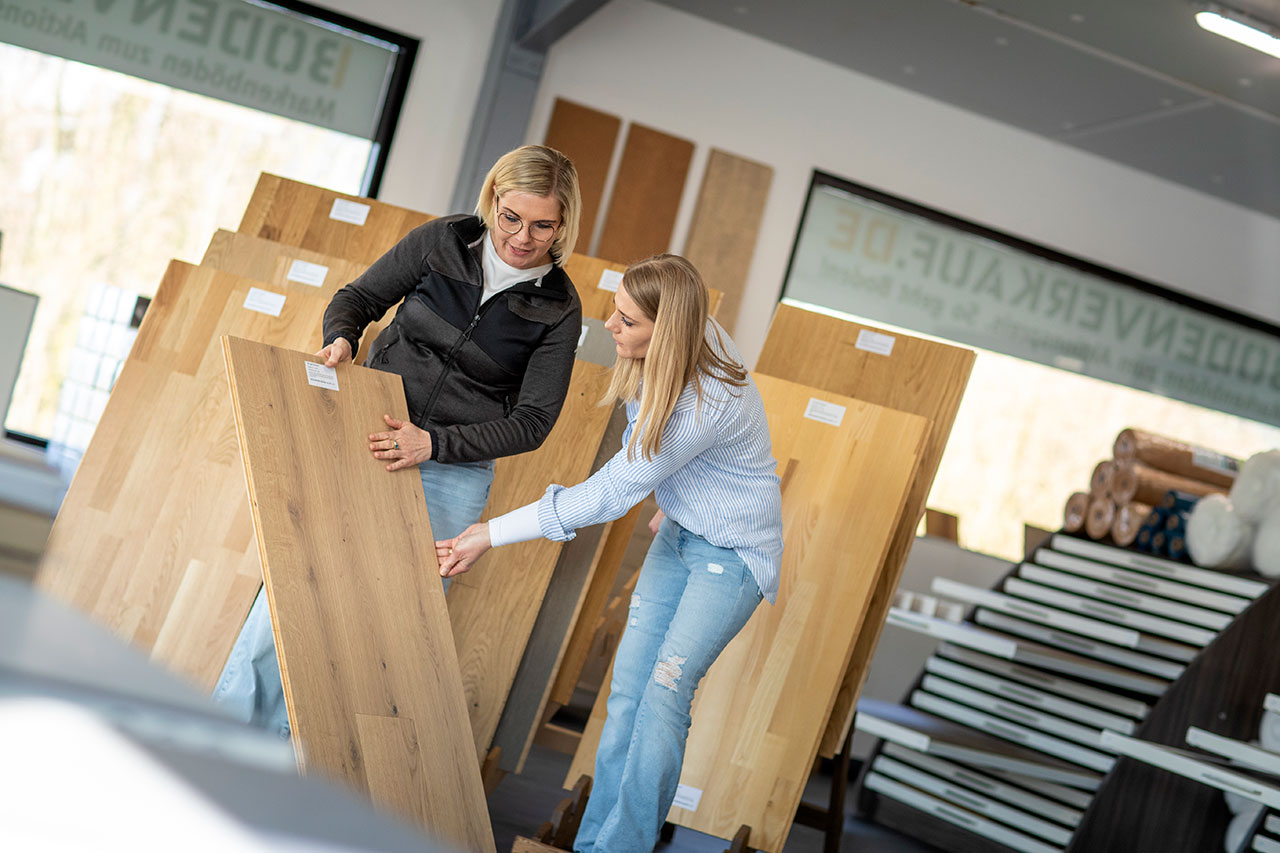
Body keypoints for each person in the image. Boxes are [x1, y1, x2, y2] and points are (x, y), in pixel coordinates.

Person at [212, 144, 584, 737]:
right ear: (492, 201)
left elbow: (533, 422)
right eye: (511, 217)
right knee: (298, 585)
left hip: (450, 473)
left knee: (377, 624)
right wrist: (343, 339)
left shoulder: (559, 308)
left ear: (563, 225)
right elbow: (356, 299)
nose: (522, 237)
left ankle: (299, 761)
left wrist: (432, 445)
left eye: (543, 225)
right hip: (370, 432)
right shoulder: (441, 242)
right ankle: (222, 738)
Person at [436, 254, 784, 852]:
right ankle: (596, 842)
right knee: (626, 690)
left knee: (664, 697)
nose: (611, 327)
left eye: (628, 321)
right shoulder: (687, 332)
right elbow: (672, 458)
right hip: (680, 534)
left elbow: (607, 494)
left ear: (668, 331)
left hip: (732, 557)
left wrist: (488, 533)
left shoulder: (705, 401)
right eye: (615, 310)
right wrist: (680, 498)